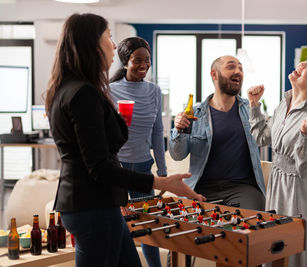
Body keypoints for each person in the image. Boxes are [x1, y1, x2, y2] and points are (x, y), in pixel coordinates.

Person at [44, 13, 204, 267]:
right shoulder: (84, 93)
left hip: (92, 204)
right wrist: (162, 181)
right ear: (91, 44)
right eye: (108, 37)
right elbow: (100, 167)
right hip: (92, 207)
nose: (114, 45)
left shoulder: (70, 88)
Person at [247, 54, 307, 267]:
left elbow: (306, 167)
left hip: (298, 192)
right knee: (273, 248)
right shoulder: (285, 102)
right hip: (277, 186)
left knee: (296, 255)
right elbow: (263, 137)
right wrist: (254, 106)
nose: (301, 64)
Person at [169, 55, 266, 211]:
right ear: (214, 74)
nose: (238, 71)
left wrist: (255, 105)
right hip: (201, 188)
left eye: (241, 68)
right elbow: (177, 155)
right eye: (231, 67)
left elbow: (264, 138)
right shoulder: (194, 113)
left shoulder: (250, 109)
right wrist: (178, 130)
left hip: (242, 188)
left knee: (254, 222)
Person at [109, 37, 165, 267]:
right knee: (119, 225)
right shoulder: (108, 89)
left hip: (143, 167)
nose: (143, 65)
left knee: (147, 226)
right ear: (125, 61)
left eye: (147, 60)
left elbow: (157, 132)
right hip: (117, 168)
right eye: (137, 60)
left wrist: (162, 170)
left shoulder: (154, 91)